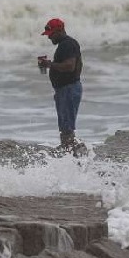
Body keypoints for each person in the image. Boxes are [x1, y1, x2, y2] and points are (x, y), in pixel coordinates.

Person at [38, 18, 85, 156]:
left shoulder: (68, 44)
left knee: (67, 128)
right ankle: (71, 153)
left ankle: (74, 154)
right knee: (65, 127)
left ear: (60, 30)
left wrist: (49, 65)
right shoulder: (65, 45)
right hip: (65, 90)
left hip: (69, 89)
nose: (50, 37)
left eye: (51, 34)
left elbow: (70, 66)